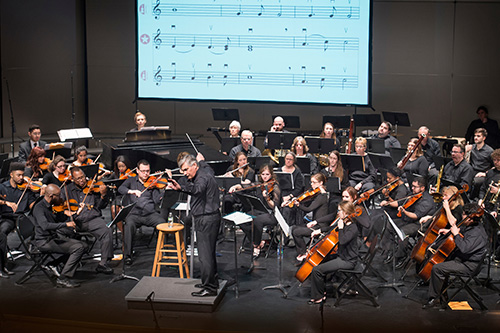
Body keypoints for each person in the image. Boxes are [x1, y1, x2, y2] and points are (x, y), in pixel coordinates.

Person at [168, 154, 221, 297]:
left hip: (206, 219)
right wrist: (202, 159)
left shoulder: (202, 177)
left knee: (204, 256)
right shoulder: (205, 170)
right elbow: (206, 166)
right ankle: (212, 281)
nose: (185, 174)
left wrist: (180, 188)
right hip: (210, 218)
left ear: (194, 166)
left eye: (186, 170)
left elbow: (197, 189)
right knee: (209, 253)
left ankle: (209, 287)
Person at [422, 202, 488, 309]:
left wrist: (456, 234)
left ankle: (435, 299)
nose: (462, 216)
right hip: (463, 259)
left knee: (437, 268)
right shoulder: (471, 225)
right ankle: (443, 294)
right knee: (440, 260)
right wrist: (450, 231)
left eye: (463, 215)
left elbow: (465, 248)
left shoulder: (477, 233)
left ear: (470, 218)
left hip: (469, 265)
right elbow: (463, 233)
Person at [32, 184, 86, 288]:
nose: (60, 198)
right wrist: (66, 224)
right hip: (44, 241)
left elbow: (60, 218)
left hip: (52, 238)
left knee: (84, 245)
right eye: (58, 195)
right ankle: (63, 278)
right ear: (51, 196)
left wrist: (76, 213)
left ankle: (54, 263)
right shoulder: (39, 208)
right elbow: (45, 225)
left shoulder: (50, 206)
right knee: (79, 247)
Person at [62, 167, 114, 274]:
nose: (81, 181)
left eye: (82, 177)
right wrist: (70, 214)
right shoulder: (66, 190)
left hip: (93, 219)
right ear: (72, 179)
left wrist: (104, 196)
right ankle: (64, 263)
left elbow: (100, 206)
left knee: (107, 231)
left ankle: (103, 263)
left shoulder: (92, 187)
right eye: (78, 179)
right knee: (61, 232)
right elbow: (61, 207)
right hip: (75, 221)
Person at [308, 200, 359, 304]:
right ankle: (322, 291)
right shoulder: (344, 223)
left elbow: (343, 241)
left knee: (317, 270)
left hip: (347, 261)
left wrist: (340, 229)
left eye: (340, 211)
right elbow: (331, 228)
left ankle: (319, 297)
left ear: (346, 213)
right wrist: (320, 230)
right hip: (343, 256)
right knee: (320, 261)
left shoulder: (352, 228)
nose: (338, 213)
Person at [118, 160, 165, 265]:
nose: (146, 174)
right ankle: (128, 256)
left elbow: (157, 200)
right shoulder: (131, 181)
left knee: (162, 222)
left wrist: (163, 191)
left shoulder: (152, 183)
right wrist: (132, 191)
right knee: (128, 225)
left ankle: (162, 252)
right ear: (137, 171)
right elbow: (121, 188)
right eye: (143, 171)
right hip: (134, 214)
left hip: (150, 214)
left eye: (148, 171)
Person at [388, 177, 435, 268]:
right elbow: (401, 203)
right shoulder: (413, 194)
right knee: (390, 225)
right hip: (408, 220)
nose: (412, 188)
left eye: (414, 187)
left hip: (419, 224)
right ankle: (389, 249)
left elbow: (416, 215)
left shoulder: (427, 201)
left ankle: (401, 256)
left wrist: (404, 211)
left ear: (422, 188)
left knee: (402, 232)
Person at [237, 164, 281, 258]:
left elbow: (275, 206)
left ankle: (256, 245)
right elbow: (248, 186)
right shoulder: (260, 185)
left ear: (271, 175)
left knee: (257, 220)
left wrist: (267, 198)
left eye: (267, 174)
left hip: (271, 214)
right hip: (259, 211)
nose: (265, 176)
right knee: (242, 219)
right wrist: (237, 186)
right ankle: (255, 241)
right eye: (263, 174)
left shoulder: (275, 187)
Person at [291, 173, 329, 261]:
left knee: (296, 232)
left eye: (314, 182)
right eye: (311, 182)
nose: (311, 184)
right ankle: (302, 252)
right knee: (294, 229)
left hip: (320, 225)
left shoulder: (322, 196)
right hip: (315, 223)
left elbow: (309, 209)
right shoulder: (318, 194)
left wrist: (298, 204)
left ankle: (304, 253)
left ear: (321, 183)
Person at [0, 162, 37, 240]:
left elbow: (31, 205)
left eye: (23, 175)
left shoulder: (26, 188)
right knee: (2, 231)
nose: (21, 177)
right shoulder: (2, 187)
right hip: (8, 218)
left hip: (22, 217)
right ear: (11, 175)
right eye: (18, 175)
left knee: (38, 226)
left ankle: (32, 248)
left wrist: (41, 197)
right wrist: (6, 202)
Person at [465, 128, 493, 199]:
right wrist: (465, 150)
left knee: (476, 181)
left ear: (484, 138)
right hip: (472, 170)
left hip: (482, 172)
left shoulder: (489, 151)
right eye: (475, 136)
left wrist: (485, 173)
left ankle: (472, 199)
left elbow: (494, 166)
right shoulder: (472, 147)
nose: (475, 138)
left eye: (478, 136)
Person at [279, 152, 305, 226]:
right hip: (280, 194)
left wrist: (289, 196)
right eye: (287, 159)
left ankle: (285, 231)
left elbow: (298, 189)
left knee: (286, 210)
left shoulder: (297, 172)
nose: (288, 161)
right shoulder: (279, 170)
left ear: (293, 161)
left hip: (291, 195)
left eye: (290, 159)